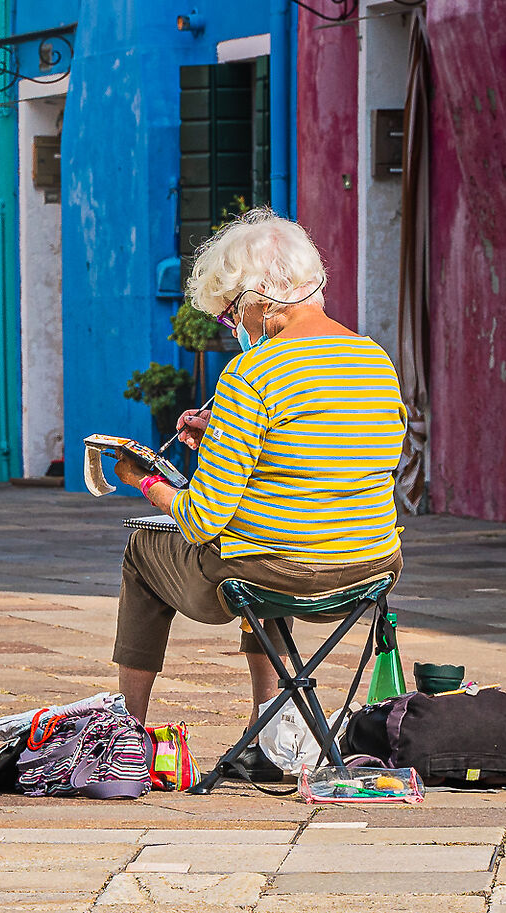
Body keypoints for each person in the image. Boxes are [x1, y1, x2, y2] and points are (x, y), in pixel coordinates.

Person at [111, 208, 407, 775]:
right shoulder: (376, 362)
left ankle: (126, 731)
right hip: (368, 569)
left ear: (260, 299)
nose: (231, 327)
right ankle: (268, 723)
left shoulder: (255, 372)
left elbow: (200, 517)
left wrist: (145, 481)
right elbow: (320, 466)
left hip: (273, 574)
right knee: (273, 532)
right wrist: (218, 436)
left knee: (147, 553)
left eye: (229, 314)